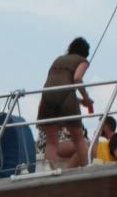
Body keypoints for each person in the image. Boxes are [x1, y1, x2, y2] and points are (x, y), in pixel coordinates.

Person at [38, 37, 94, 171]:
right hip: (66, 97)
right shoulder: (82, 61)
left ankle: (48, 173)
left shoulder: (57, 60)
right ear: (85, 53)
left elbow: (57, 84)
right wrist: (86, 98)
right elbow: (77, 78)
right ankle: (87, 170)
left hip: (47, 96)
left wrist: (79, 101)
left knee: (52, 143)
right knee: (79, 139)